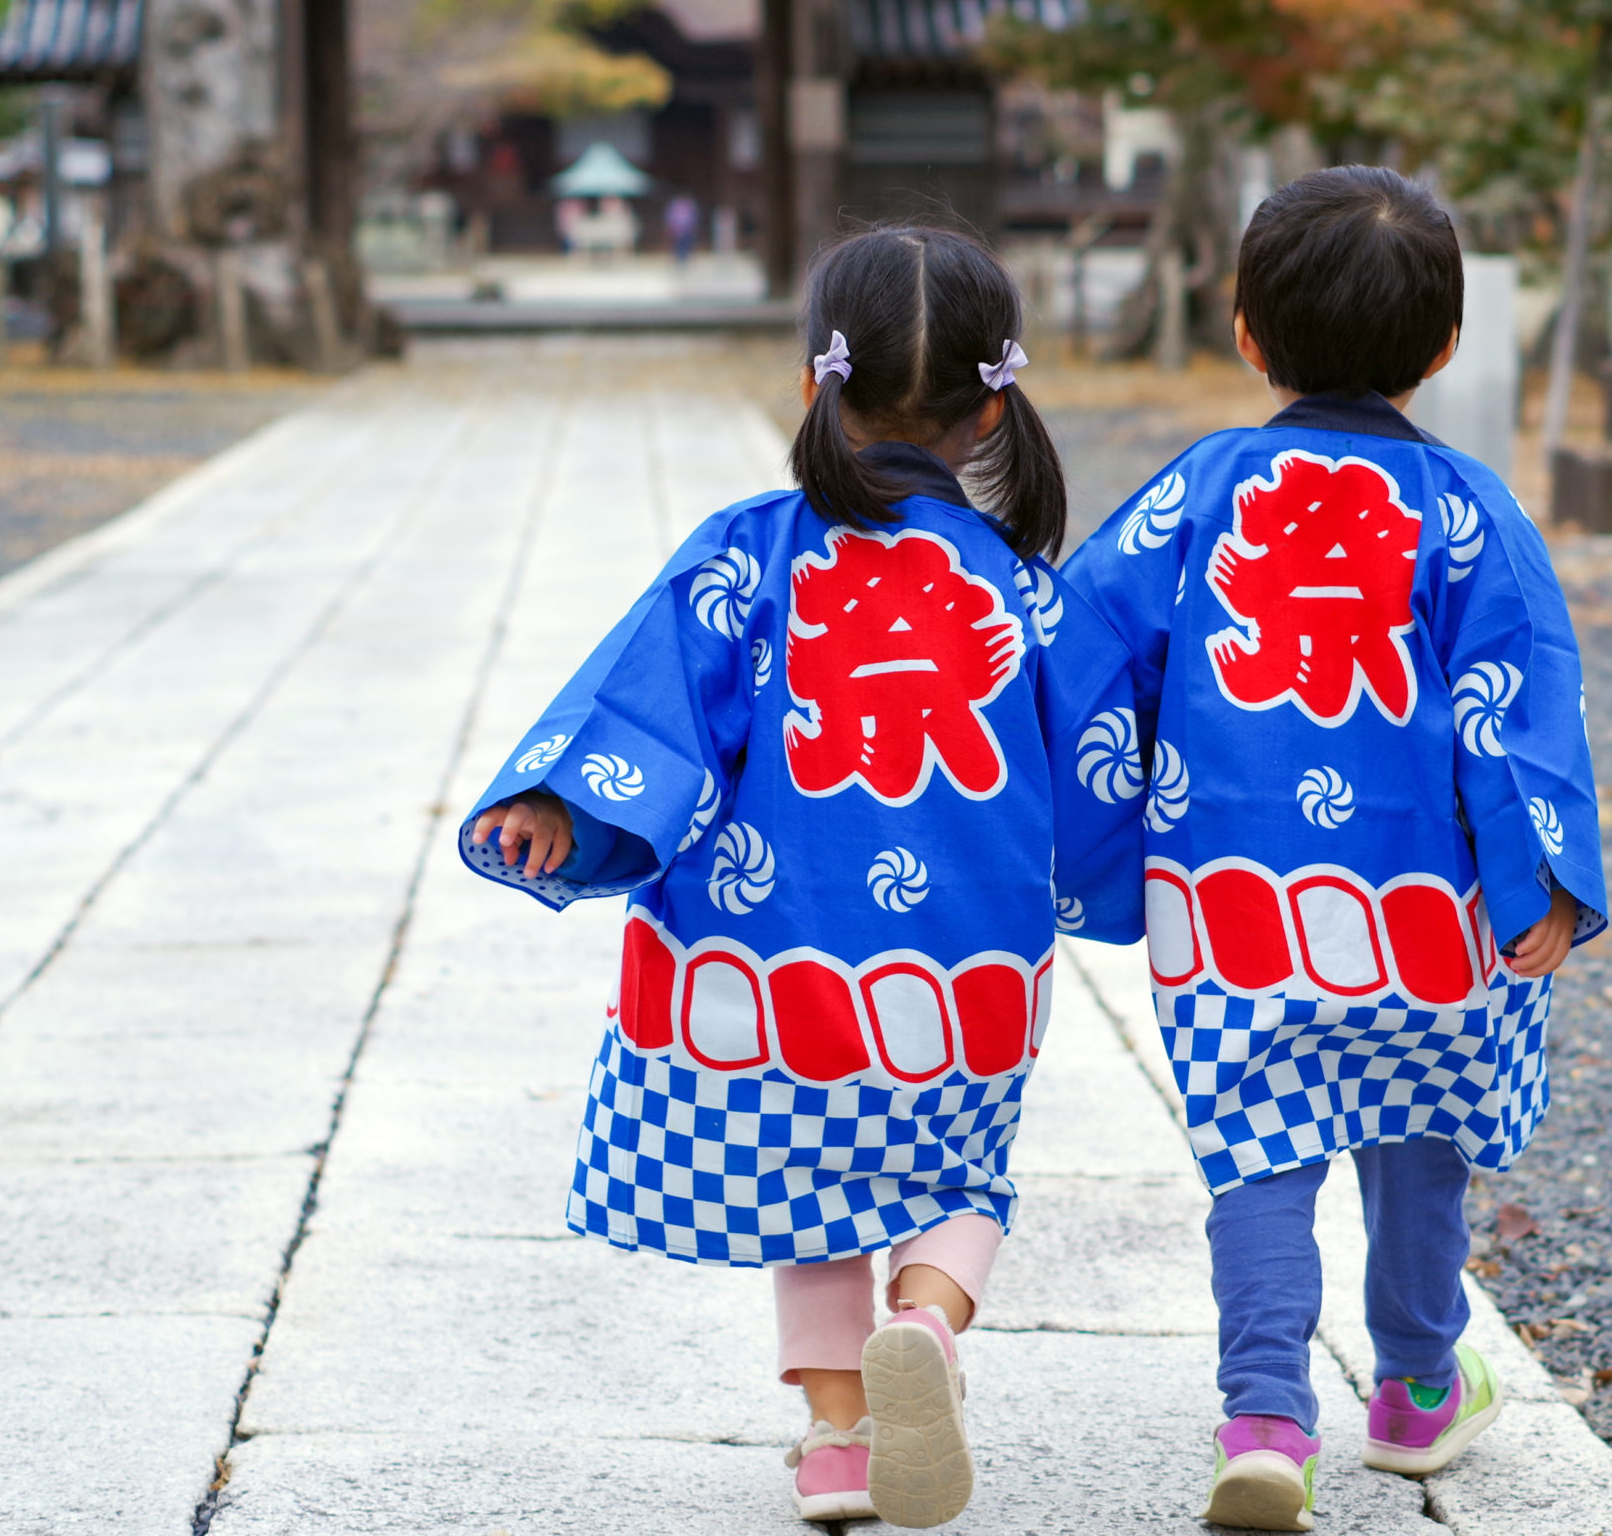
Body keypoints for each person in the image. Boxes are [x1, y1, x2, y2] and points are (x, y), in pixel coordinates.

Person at [461, 225, 1144, 1529]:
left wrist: (563, 800)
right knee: (959, 1176)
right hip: (963, 965)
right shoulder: (1026, 592)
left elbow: (650, 709)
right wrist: (1138, 884)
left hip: (778, 952)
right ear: (992, 407)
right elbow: (1100, 778)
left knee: (806, 1184)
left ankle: (838, 1440)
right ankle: (926, 1325)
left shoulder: (747, 553)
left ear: (814, 382)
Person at [1058, 166, 1608, 1532]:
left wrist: (1082, 834)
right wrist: (1540, 880)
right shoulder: (1470, 509)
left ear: (1246, 330)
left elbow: (1084, 653)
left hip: (1234, 901)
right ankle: (1417, 1386)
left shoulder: (1196, 491)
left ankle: (1264, 1415)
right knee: (1420, 1125)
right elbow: (1516, 707)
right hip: (1429, 907)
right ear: (1445, 344)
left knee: (1258, 1142)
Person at [666, 193, 699, 265]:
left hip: (687, 230)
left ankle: (685, 260)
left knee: (686, 245)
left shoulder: (689, 205)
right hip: (677, 230)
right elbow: (671, 217)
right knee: (678, 246)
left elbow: (693, 217)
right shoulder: (675, 205)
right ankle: (679, 260)